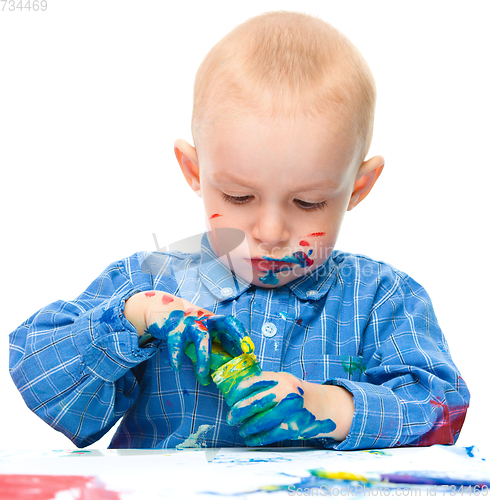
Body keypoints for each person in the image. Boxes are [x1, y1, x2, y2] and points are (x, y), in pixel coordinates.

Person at [9, 11, 469, 450]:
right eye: (238, 197)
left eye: (308, 203)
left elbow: (443, 411)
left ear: (358, 187)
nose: (270, 231)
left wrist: (333, 406)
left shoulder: (382, 299)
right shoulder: (149, 280)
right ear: (194, 171)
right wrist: (134, 318)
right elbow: (42, 383)